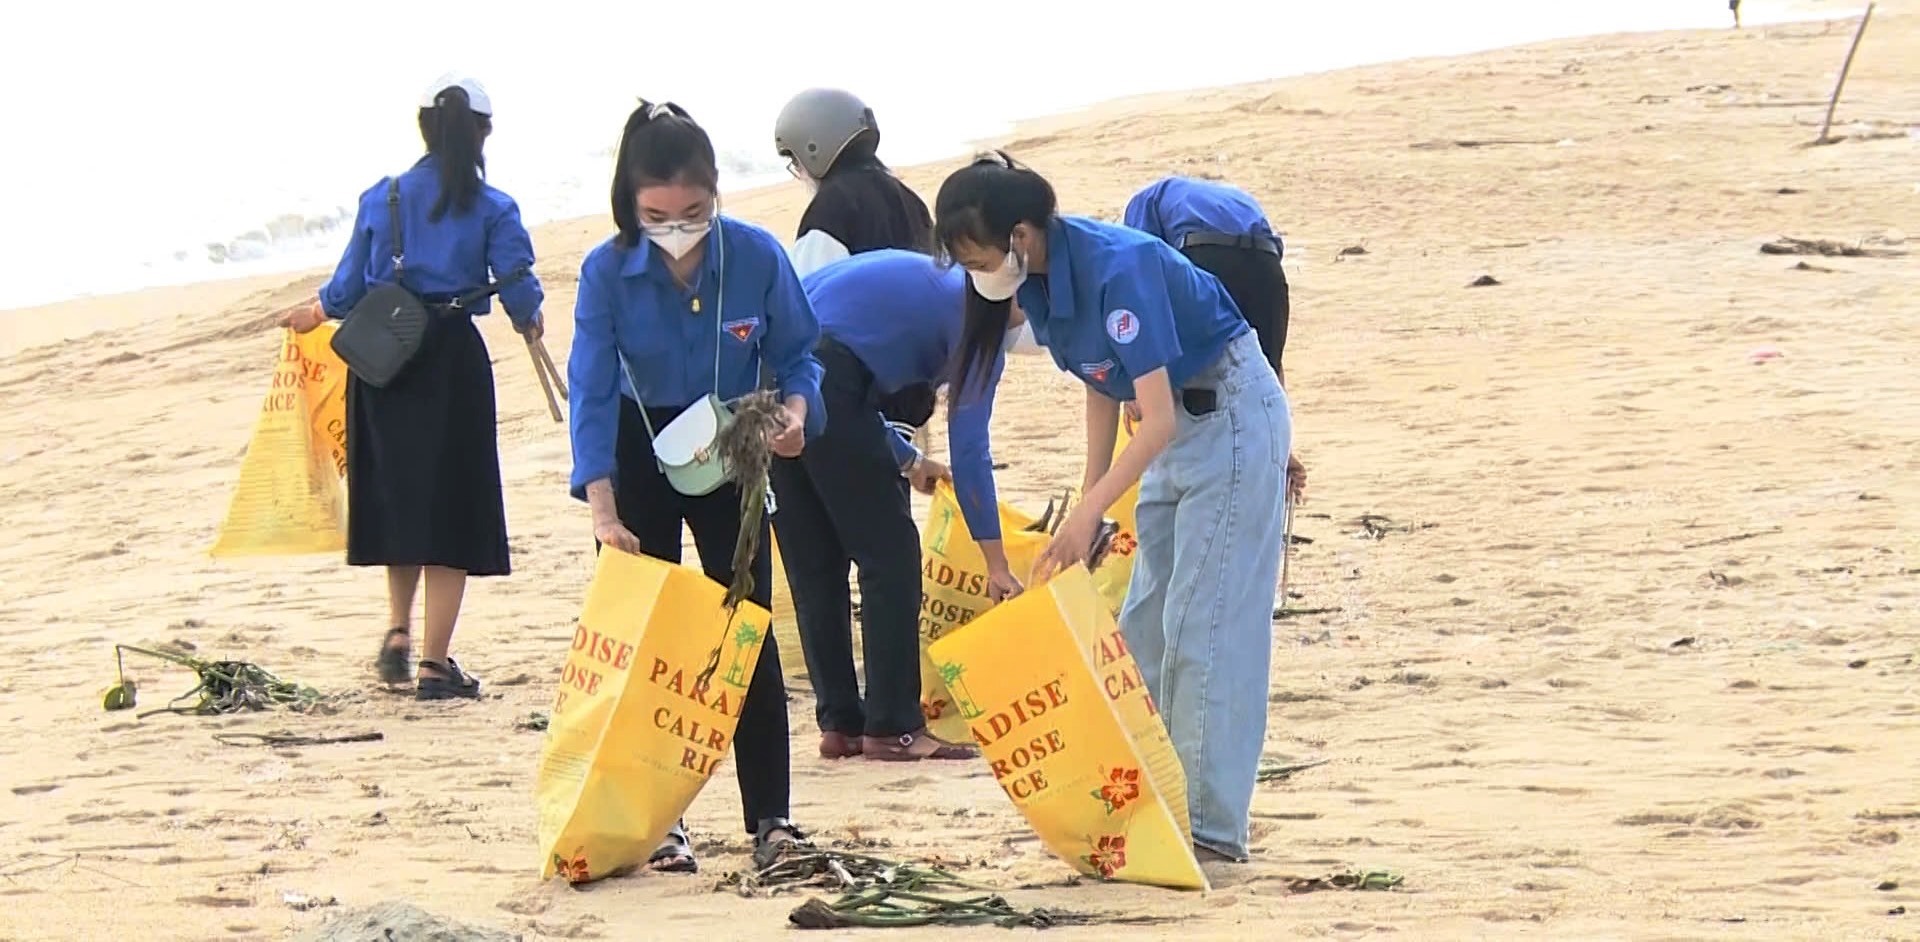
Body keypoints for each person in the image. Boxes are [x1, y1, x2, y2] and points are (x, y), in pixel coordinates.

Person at [936, 152, 1291, 864]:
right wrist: (1090, 493)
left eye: (981, 256)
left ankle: (1213, 829)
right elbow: (1101, 377)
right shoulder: (1040, 284)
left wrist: (1090, 510)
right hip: (1177, 436)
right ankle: (1151, 801)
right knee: (1143, 627)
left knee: (1207, 623)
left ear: (1023, 235)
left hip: (1229, 413)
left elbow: (1152, 416)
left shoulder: (1117, 266)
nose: (978, 273)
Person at [566, 100, 822, 874]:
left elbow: (802, 354)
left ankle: (771, 820)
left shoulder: (754, 256)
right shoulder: (607, 271)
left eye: (693, 212)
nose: (677, 228)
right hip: (640, 445)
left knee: (746, 628)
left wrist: (798, 414)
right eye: (656, 214)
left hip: (731, 442)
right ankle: (662, 821)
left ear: (716, 196)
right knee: (650, 637)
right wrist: (604, 512)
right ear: (628, 204)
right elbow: (589, 391)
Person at [280, 73, 544, 701]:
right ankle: (434, 665)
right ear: (481, 133)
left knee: (402, 500)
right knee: (452, 508)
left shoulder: (385, 198)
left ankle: (398, 629)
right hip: (451, 361)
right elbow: (518, 286)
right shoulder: (493, 207)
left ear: (424, 127)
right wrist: (528, 319)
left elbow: (346, 290)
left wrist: (313, 311)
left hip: (384, 362)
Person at [773, 249, 1012, 762]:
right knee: (891, 558)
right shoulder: (980, 319)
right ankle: (894, 727)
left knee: (816, 562)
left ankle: (841, 724)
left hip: (770, 374)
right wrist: (995, 561)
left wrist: (908, 459)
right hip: (823, 372)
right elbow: (970, 447)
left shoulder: (938, 282)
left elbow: (847, 389)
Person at [1123, 176, 1306, 500]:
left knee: (1194, 382)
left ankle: (1189, 478)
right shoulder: (1237, 197)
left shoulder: (1143, 201)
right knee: (1263, 367)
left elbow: (1140, 281)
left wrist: (1134, 390)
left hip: (1206, 255)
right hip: (1267, 266)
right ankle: (1279, 453)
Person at [774, 88, 933, 277]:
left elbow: (810, 296)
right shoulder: (909, 199)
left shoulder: (827, 214)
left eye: (796, 162)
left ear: (813, 149)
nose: (800, 173)